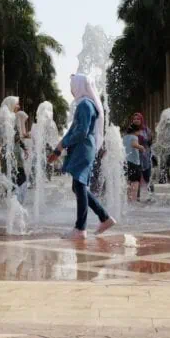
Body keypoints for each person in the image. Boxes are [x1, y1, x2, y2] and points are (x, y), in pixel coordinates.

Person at [48, 74, 116, 240]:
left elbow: (81, 131)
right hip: (84, 148)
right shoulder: (85, 104)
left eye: (72, 85)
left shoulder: (85, 104)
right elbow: (73, 130)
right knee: (78, 186)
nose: (71, 89)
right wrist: (58, 149)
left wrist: (62, 146)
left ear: (79, 86)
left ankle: (80, 228)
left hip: (84, 148)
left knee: (79, 185)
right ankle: (104, 218)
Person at [130, 113, 153, 201]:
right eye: (134, 119)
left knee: (147, 177)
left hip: (145, 156)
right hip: (134, 157)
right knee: (136, 178)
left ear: (141, 120)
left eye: (138, 119)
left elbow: (150, 141)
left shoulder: (146, 130)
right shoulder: (130, 130)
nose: (136, 120)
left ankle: (151, 196)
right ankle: (137, 197)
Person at [124, 123, 145, 202]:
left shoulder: (125, 137)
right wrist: (141, 147)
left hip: (126, 161)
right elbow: (134, 144)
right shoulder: (134, 137)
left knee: (128, 181)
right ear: (136, 131)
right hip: (134, 162)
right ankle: (134, 200)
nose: (140, 133)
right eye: (139, 131)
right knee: (135, 182)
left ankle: (128, 199)